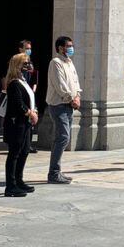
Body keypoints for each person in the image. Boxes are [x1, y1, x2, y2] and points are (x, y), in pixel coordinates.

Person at [1, 53, 37, 197]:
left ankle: (19, 181)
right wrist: (29, 113)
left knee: (24, 151)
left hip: (26, 123)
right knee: (14, 154)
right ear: (17, 65)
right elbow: (17, 103)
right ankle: (10, 186)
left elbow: (30, 99)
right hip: (17, 123)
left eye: (28, 63)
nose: (28, 66)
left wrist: (35, 111)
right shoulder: (14, 83)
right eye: (25, 63)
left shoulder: (23, 81)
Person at [46, 36, 81, 184]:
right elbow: (60, 85)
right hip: (59, 105)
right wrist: (70, 98)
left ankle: (57, 171)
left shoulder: (69, 62)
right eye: (68, 46)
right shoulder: (56, 63)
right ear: (60, 48)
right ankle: (53, 173)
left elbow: (75, 82)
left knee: (63, 138)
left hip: (70, 105)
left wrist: (78, 95)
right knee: (63, 137)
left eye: (72, 45)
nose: (71, 48)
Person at [18, 40, 39, 153]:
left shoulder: (30, 63)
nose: (29, 50)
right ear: (20, 49)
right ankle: (20, 143)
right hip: (21, 94)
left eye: (30, 48)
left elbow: (34, 79)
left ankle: (28, 144)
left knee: (31, 121)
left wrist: (33, 90)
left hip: (31, 95)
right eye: (26, 48)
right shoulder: (16, 62)